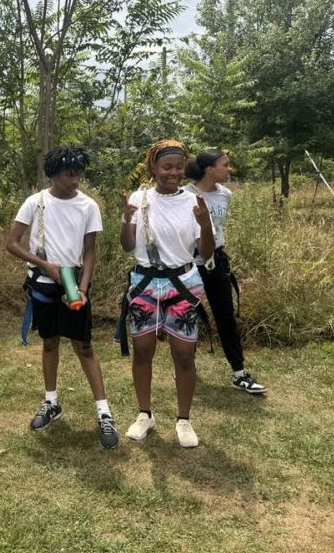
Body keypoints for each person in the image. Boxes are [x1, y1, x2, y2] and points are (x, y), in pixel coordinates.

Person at [6, 146, 119, 450]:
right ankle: (51, 402)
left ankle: (104, 413)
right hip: (43, 283)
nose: (76, 179)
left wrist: (82, 288)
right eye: (70, 173)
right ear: (53, 173)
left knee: (84, 347)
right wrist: (44, 265)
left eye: (79, 172)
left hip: (74, 285)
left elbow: (90, 251)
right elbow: (12, 243)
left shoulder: (88, 206)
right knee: (50, 342)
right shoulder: (35, 203)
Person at [119, 140, 214, 447]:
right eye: (166, 167)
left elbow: (206, 252)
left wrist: (205, 223)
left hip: (183, 283)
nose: (173, 173)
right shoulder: (140, 198)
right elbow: (126, 245)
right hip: (146, 282)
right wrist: (125, 218)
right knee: (143, 350)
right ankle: (144, 414)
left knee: (184, 354)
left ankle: (184, 420)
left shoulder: (193, 200)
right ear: (154, 168)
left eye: (178, 166)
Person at [184, 149, 267, 395]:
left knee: (226, 316)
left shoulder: (225, 195)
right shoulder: (185, 195)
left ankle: (239, 372)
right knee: (189, 315)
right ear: (209, 168)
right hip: (190, 261)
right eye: (225, 165)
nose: (229, 169)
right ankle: (187, 368)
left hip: (217, 259)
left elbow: (218, 229)